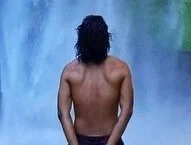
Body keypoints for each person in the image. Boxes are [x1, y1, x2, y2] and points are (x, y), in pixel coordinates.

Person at [57, 15, 134, 145]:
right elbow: (127, 111)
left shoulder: (70, 72)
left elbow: (63, 114)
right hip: (112, 140)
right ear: (106, 39)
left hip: (79, 140)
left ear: (81, 40)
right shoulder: (121, 69)